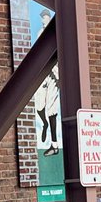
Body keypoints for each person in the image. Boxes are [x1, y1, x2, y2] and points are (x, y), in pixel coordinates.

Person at [33, 8, 60, 157]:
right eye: (42, 17)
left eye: (45, 17)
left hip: (54, 75)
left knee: (52, 109)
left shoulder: (58, 34)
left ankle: (54, 145)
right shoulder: (40, 34)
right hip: (44, 74)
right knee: (39, 107)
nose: (44, 19)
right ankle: (44, 124)